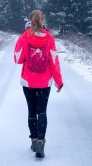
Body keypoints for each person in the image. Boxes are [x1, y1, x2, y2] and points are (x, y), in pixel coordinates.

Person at [14, 10, 63, 158]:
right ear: (43, 21)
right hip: (44, 81)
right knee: (42, 111)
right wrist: (59, 82)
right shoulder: (49, 39)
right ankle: (41, 142)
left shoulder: (24, 38)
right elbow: (54, 62)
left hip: (28, 81)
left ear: (29, 21)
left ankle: (34, 140)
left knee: (31, 110)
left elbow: (17, 59)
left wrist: (24, 37)